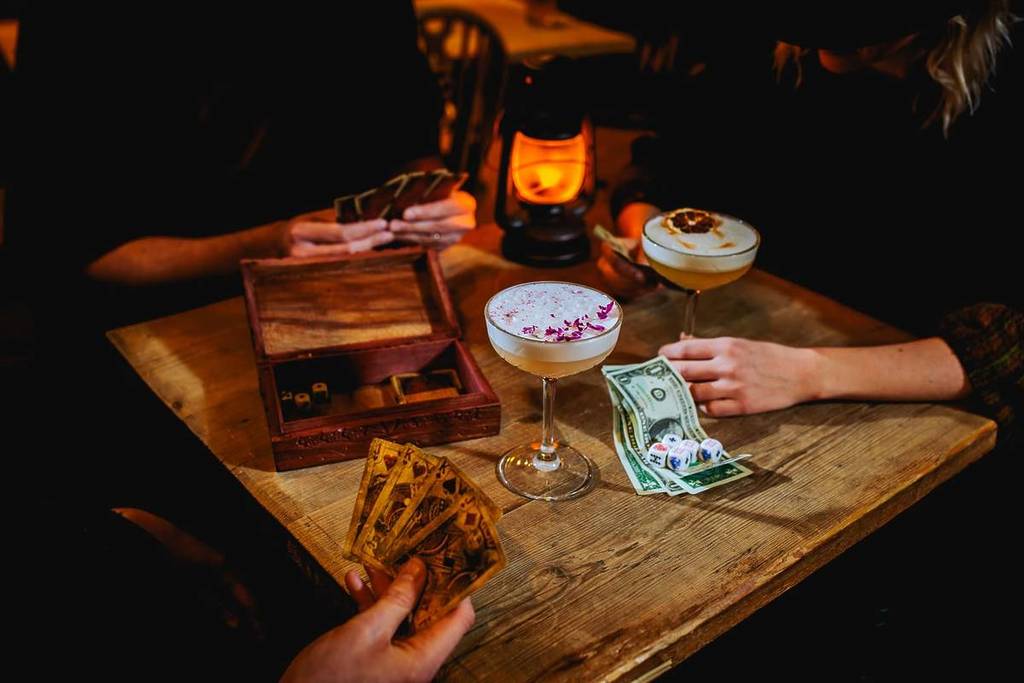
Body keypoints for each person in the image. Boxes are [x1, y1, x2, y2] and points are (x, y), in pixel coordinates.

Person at [598, 0, 1022, 443]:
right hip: (759, 325)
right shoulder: (771, 51)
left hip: (923, 407)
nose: (822, 44)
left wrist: (806, 373)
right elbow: (669, 160)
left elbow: (1009, 349)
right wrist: (642, 234)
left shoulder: (1004, 88)